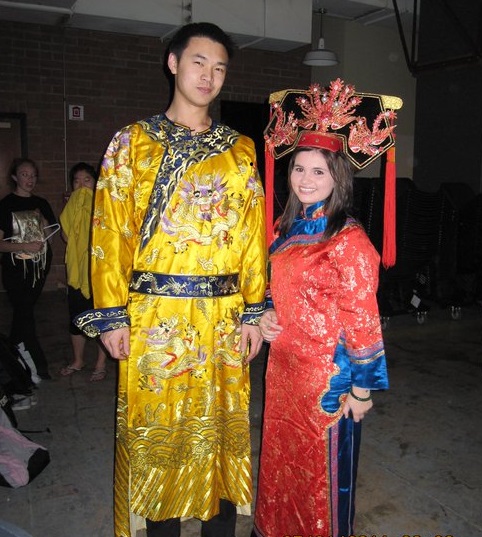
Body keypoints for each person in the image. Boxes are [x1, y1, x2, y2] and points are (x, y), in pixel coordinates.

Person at [74, 22, 267, 537]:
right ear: (174, 63)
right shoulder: (131, 144)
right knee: (160, 436)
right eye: (200, 62)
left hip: (223, 318)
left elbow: (251, 234)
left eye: (220, 67)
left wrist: (254, 309)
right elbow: (108, 233)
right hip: (155, 318)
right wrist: (112, 315)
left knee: (222, 435)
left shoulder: (240, 149)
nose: (210, 76)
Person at [252, 79, 400, 537]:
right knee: (282, 464)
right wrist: (266, 312)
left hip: (326, 383)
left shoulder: (348, 239)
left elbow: (363, 318)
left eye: (319, 171)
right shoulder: (286, 225)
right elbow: (278, 284)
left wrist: (362, 389)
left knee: (322, 479)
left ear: (339, 177)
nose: (305, 179)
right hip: (283, 372)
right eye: (299, 168)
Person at [0, 157, 58, 380]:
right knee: (24, 314)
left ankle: (12, 357)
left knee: (22, 316)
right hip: (15, 271)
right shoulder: (5, 205)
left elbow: (51, 239)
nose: (30, 179)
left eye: (33, 175)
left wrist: (42, 221)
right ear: (14, 177)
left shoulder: (41, 203)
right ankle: (39, 366)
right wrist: (24, 245)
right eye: (25, 174)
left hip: (38, 270)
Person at [59, 162, 108, 381]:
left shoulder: (106, 205)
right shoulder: (72, 207)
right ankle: (78, 360)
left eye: (87, 180)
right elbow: (66, 238)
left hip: (100, 273)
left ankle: (100, 363)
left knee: (101, 319)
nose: (81, 185)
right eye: (77, 181)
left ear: (96, 183)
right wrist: (73, 211)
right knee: (76, 317)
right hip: (78, 273)